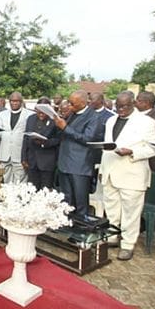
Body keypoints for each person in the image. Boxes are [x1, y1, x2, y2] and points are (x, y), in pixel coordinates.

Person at [99, 92, 155, 261]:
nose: (121, 109)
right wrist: (102, 170)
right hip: (110, 170)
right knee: (111, 209)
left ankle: (127, 244)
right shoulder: (111, 120)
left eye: (125, 106)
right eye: (118, 106)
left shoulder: (147, 122)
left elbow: (154, 148)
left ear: (133, 103)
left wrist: (133, 151)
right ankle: (112, 237)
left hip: (132, 173)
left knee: (130, 213)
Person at [55, 90, 100, 219]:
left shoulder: (93, 117)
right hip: (65, 162)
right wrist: (59, 124)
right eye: (69, 102)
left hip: (80, 165)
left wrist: (65, 128)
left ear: (83, 102)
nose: (69, 105)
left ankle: (81, 232)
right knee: (66, 200)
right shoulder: (71, 114)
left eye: (73, 103)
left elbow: (88, 138)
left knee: (80, 202)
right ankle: (67, 226)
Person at [0, 92, 33, 183]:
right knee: (6, 182)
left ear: (21, 102)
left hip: (19, 155)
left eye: (16, 101)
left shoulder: (29, 114)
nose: (14, 103)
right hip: (5, 154)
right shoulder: (3, 114)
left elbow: (29, 134)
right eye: (12, 101)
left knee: (20, 182)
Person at [21, 98, 60, 190]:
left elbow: (58, 140)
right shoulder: (31, 119)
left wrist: (45, 143)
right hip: (32, 161)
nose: (41, 113)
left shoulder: (55, 120)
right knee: (32, 190)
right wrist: (23, 158)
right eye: (39, 111)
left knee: (45, 191)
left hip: (47, 162)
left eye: (44, 111)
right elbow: (25, 139)